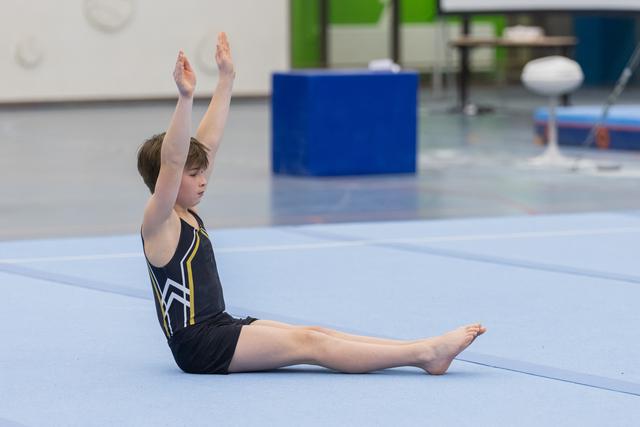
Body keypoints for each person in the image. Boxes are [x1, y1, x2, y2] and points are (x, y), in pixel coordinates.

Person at [137, 32, 486, 375]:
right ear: (165, 182)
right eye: (193, 173)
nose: (203, 179)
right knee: (310, 346)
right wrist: (185, 98)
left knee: (316, 333)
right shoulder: (160, 220)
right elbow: (174, 159)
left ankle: (423, 349)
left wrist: (227, 78)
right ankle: (424, 354)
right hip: (198, 346)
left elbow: (206, 143)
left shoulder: (187, 208)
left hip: (218, 325)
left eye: (203, 172)